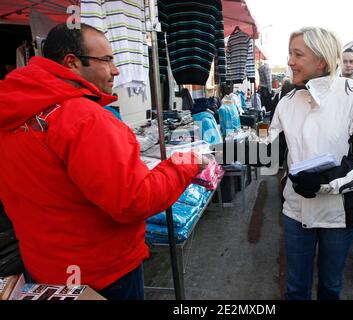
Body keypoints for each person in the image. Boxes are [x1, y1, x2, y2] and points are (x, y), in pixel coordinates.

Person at [0, 23, 207, 300]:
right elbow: (134, 200)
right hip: (100, 275)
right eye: (107, 60)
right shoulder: (84, 117)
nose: (117, 69)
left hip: (42, 270)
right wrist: (185, 162)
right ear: (72, 62)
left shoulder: (11, 114)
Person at [269, 27, 353, 300]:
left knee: (330, 288)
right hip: (295, 210)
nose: (290, 61)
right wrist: (214, 154)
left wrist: (324, 182)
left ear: (321, 60)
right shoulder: (286, 101)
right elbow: (269, 153)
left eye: (297, 54)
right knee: (295, 288)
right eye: (290, 53)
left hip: (339, 214)